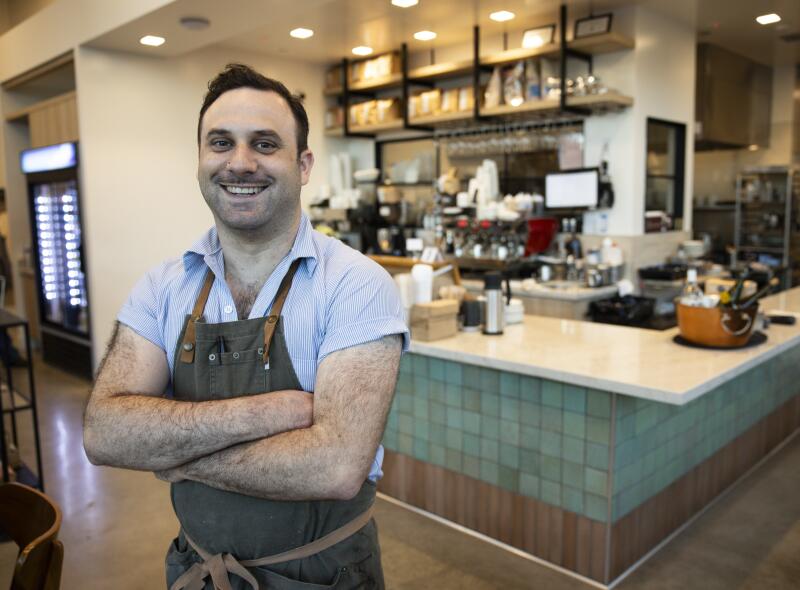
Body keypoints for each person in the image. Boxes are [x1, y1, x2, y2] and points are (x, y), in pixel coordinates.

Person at [83, 63, 408, 590]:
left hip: (326, 575)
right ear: (199, 160)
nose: (240, 163)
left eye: (263, 144)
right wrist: (273, 411)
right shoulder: (164, 287)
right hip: (198, 570)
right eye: (220, 143)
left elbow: (336, 467)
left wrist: (179, 456)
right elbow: (104, 432)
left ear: (302, 165)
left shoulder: (356, 285)